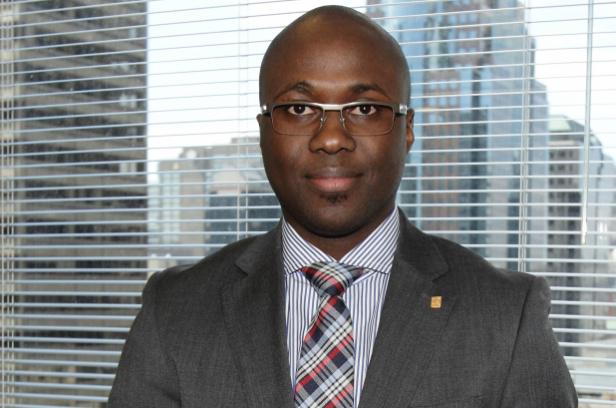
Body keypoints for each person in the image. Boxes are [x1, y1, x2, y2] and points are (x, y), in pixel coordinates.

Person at [109, 5, 577, 408]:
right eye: (299, 109)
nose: (331, 138)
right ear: (264, 131)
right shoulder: (175, 310)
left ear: (407, 129)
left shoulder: (506, 316)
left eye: (364, 108)